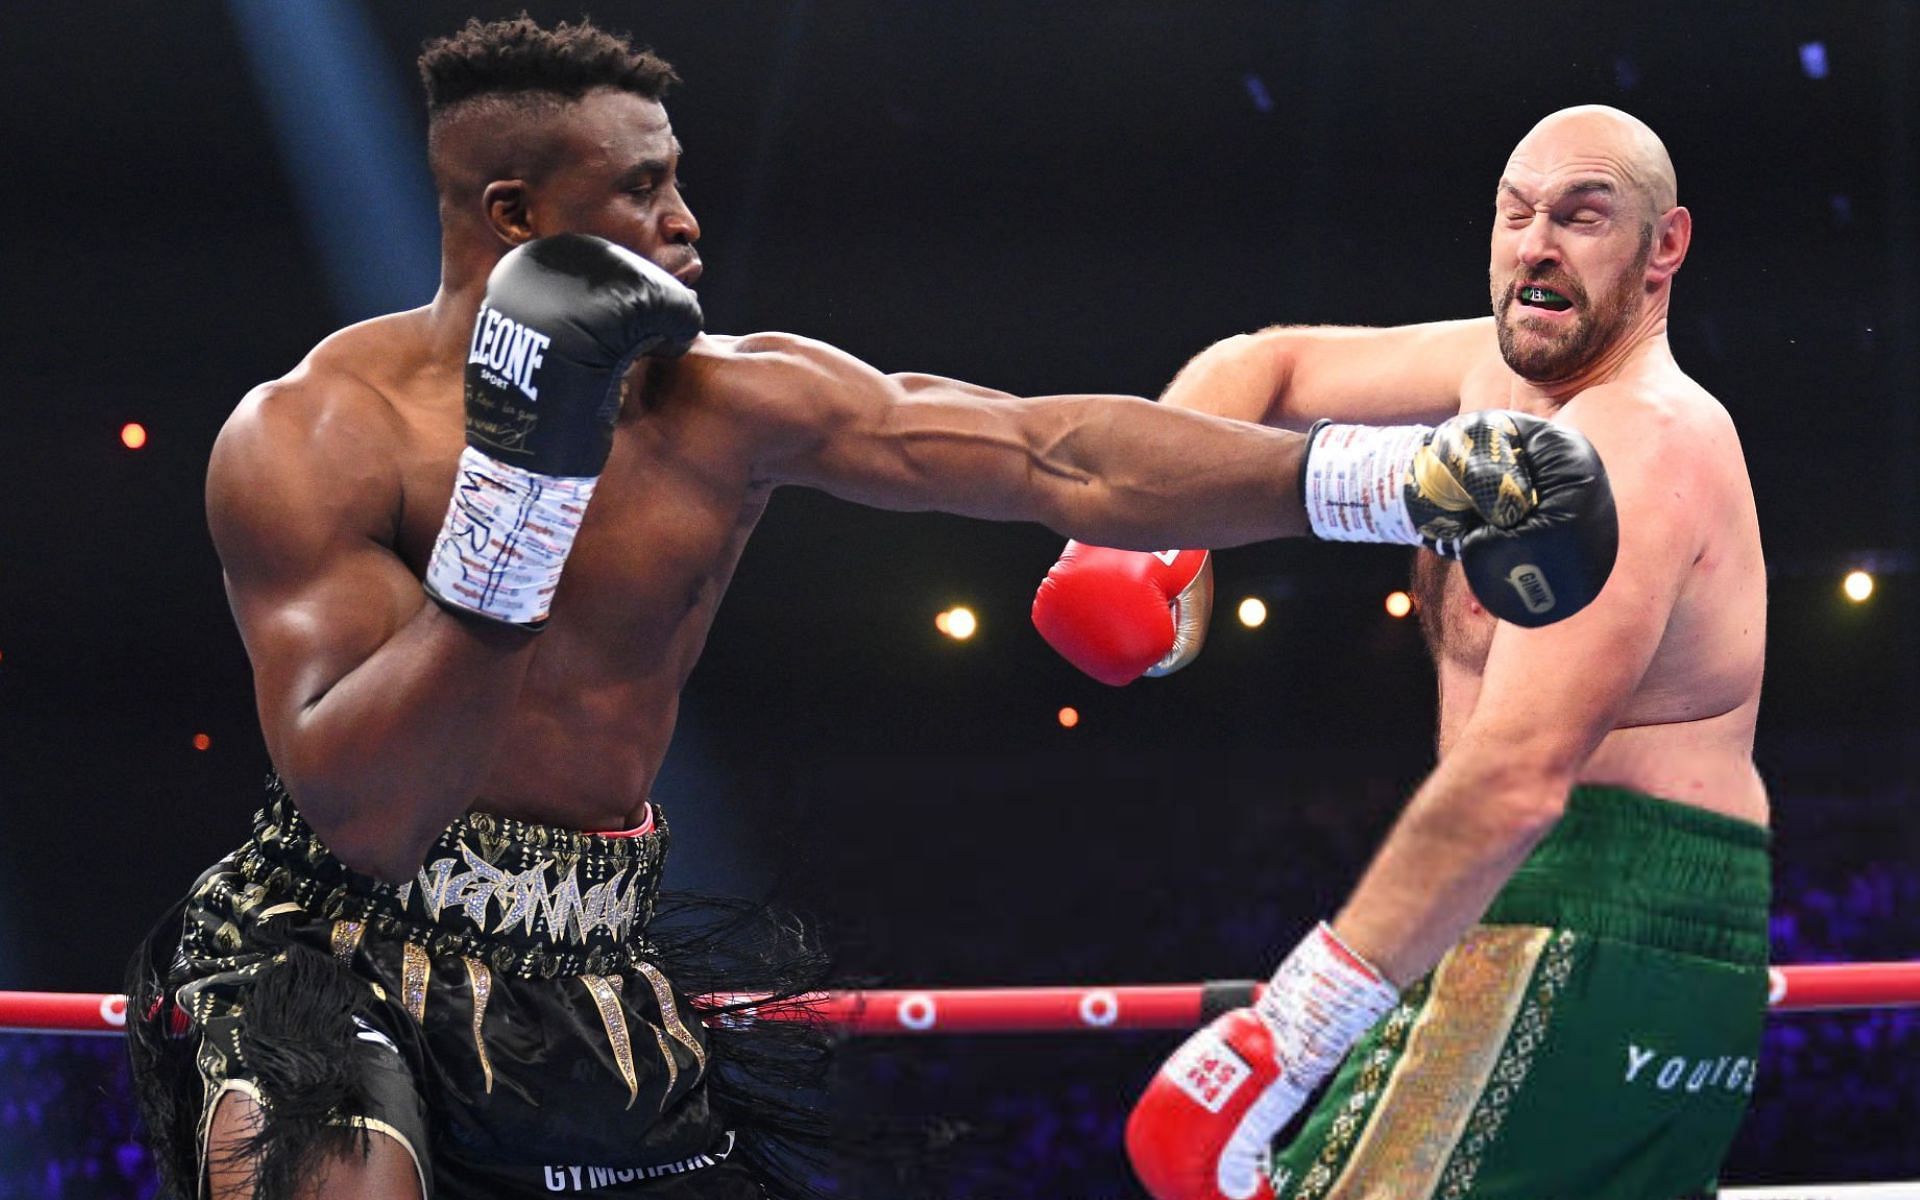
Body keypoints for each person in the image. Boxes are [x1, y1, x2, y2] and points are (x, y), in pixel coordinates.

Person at [125, 17, 1618, 1200]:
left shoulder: (731, 401)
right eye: (641, 187)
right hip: (324, 944)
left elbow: (1056, 452)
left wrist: (1394, 476)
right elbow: (368, 814)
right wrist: (527, 487)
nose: (689, 220)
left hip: (590, 958)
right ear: (513, 215)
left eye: (682, 172)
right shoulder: (316, 436)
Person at [1047, 105, 1768, 1199]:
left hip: (1588, 904)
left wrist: (1282, 1037)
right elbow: (1267, 366)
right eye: (1517, 214)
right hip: (1545, 911)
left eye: (1582, 217)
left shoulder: (1636, 440)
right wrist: (1137, 540)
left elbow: (1519, 774)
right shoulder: (1499, 383)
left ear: (1664, 245)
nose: (1538, 244)